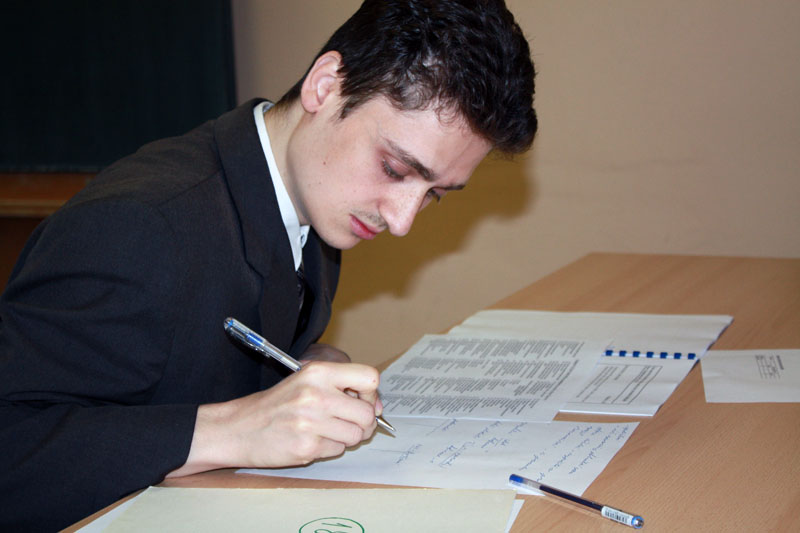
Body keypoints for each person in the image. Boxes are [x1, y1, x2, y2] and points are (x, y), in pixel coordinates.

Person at [0, 0, 537, 530]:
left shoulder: (310, 192)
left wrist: (304, 360)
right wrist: (235, 430)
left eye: (434, 193)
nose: (402, 220)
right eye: (395, 169)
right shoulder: (138, 227)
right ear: (325, 86)